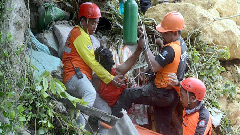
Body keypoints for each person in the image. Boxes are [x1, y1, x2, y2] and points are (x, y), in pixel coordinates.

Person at [112, 11, 185, 135]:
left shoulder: (171, 49)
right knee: (163, 127)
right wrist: (161, 46)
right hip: (172, 93)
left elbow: (154, 66)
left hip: (160, 92)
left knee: (127, 94)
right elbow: (168, 61)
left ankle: (112, 124)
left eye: (165, 33)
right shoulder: (181, 44)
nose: (162, 35)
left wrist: (145, 46)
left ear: (175, 32)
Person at [61, 2, 124, 128]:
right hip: (74, 77)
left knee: (105, 111)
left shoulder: (82, 34)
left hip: (80, 78)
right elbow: (93, 63)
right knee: (90, 93)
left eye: (96, 22)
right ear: (83, 21)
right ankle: (77, 129)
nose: (95, 26)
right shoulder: (79, 35)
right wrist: (110, 79)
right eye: (92, 22)